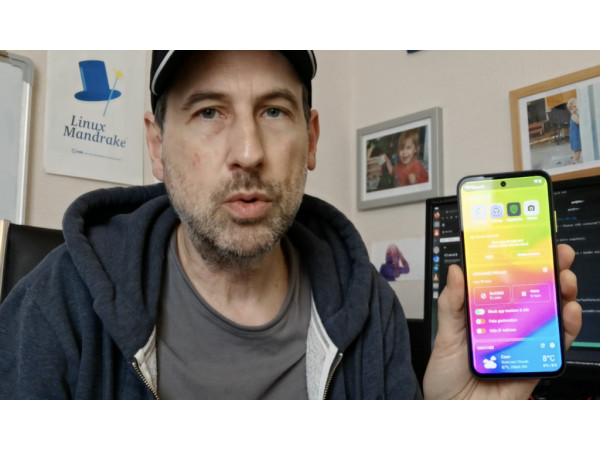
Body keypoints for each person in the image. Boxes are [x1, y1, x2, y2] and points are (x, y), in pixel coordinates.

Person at [0, 51, 581, 399]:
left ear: (312, 138)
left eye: (274, 111)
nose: (248, 152)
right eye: (209, 111)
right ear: (157, 144)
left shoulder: (370, 311)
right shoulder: (56, 307)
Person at [567, 98, 582, 164]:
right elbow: (579, 122)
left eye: (575, 107)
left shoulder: (575, 115)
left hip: (575, 135)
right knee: (578, 150)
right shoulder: (573, 116)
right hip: (576, 136)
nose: (574, 109)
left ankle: (574, 160)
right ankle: (576, 161)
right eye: (571, 109)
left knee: (576, 150)